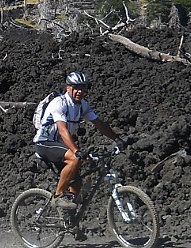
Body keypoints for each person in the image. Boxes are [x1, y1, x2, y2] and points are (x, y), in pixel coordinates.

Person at [33, 70, 126, 214]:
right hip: (44, 143)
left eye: (83, 88)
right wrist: (76, 151)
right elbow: (63, 130)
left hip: (59, 145)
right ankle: (58, 196)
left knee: (77, 183)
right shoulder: (60, 103)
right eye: (76, 88)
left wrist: (117, 139)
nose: (80, 91)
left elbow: (99, 124)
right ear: (68, 88)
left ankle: (70, 221)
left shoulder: (82, 105)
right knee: (75, 159)